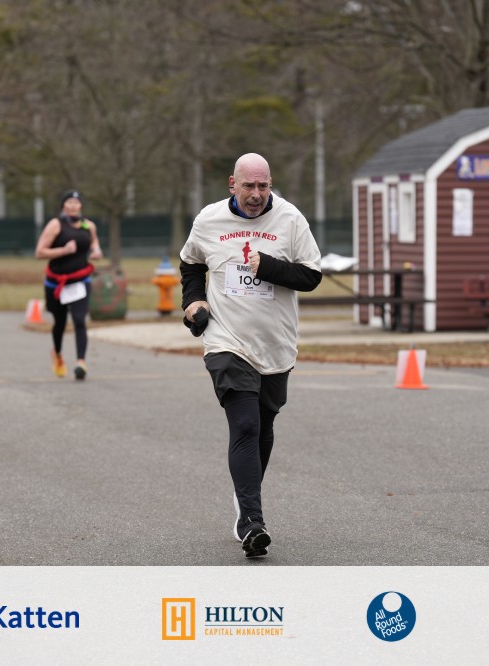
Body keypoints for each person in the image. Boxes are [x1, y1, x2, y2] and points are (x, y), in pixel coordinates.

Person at [179, 153, 322, 558]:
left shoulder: (290, 219)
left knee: (263, 425)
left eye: (263, 186)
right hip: (226, 340)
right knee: (245, 424)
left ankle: (245, 496)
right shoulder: (209, 220)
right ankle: (252, 522)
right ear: (233, 184)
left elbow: (311, 275)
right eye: (249, 186)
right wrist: (193, 301)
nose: (257, 194)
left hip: (275, 343)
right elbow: (191, 263)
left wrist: (269, 267)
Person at [35, 190, 103, 380]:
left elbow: (94, 242)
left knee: (80, 320)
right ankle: (57, 354)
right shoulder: (55, 225)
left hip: (80, 281)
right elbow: (39, 252)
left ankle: (81, 362)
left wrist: (96, 251)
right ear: (63, 205)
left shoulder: (88, 225)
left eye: (76, 202)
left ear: (81, 205)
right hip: (56, 284)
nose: (73, 206)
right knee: (60, 323)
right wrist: (63, 250)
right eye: (69, 202)